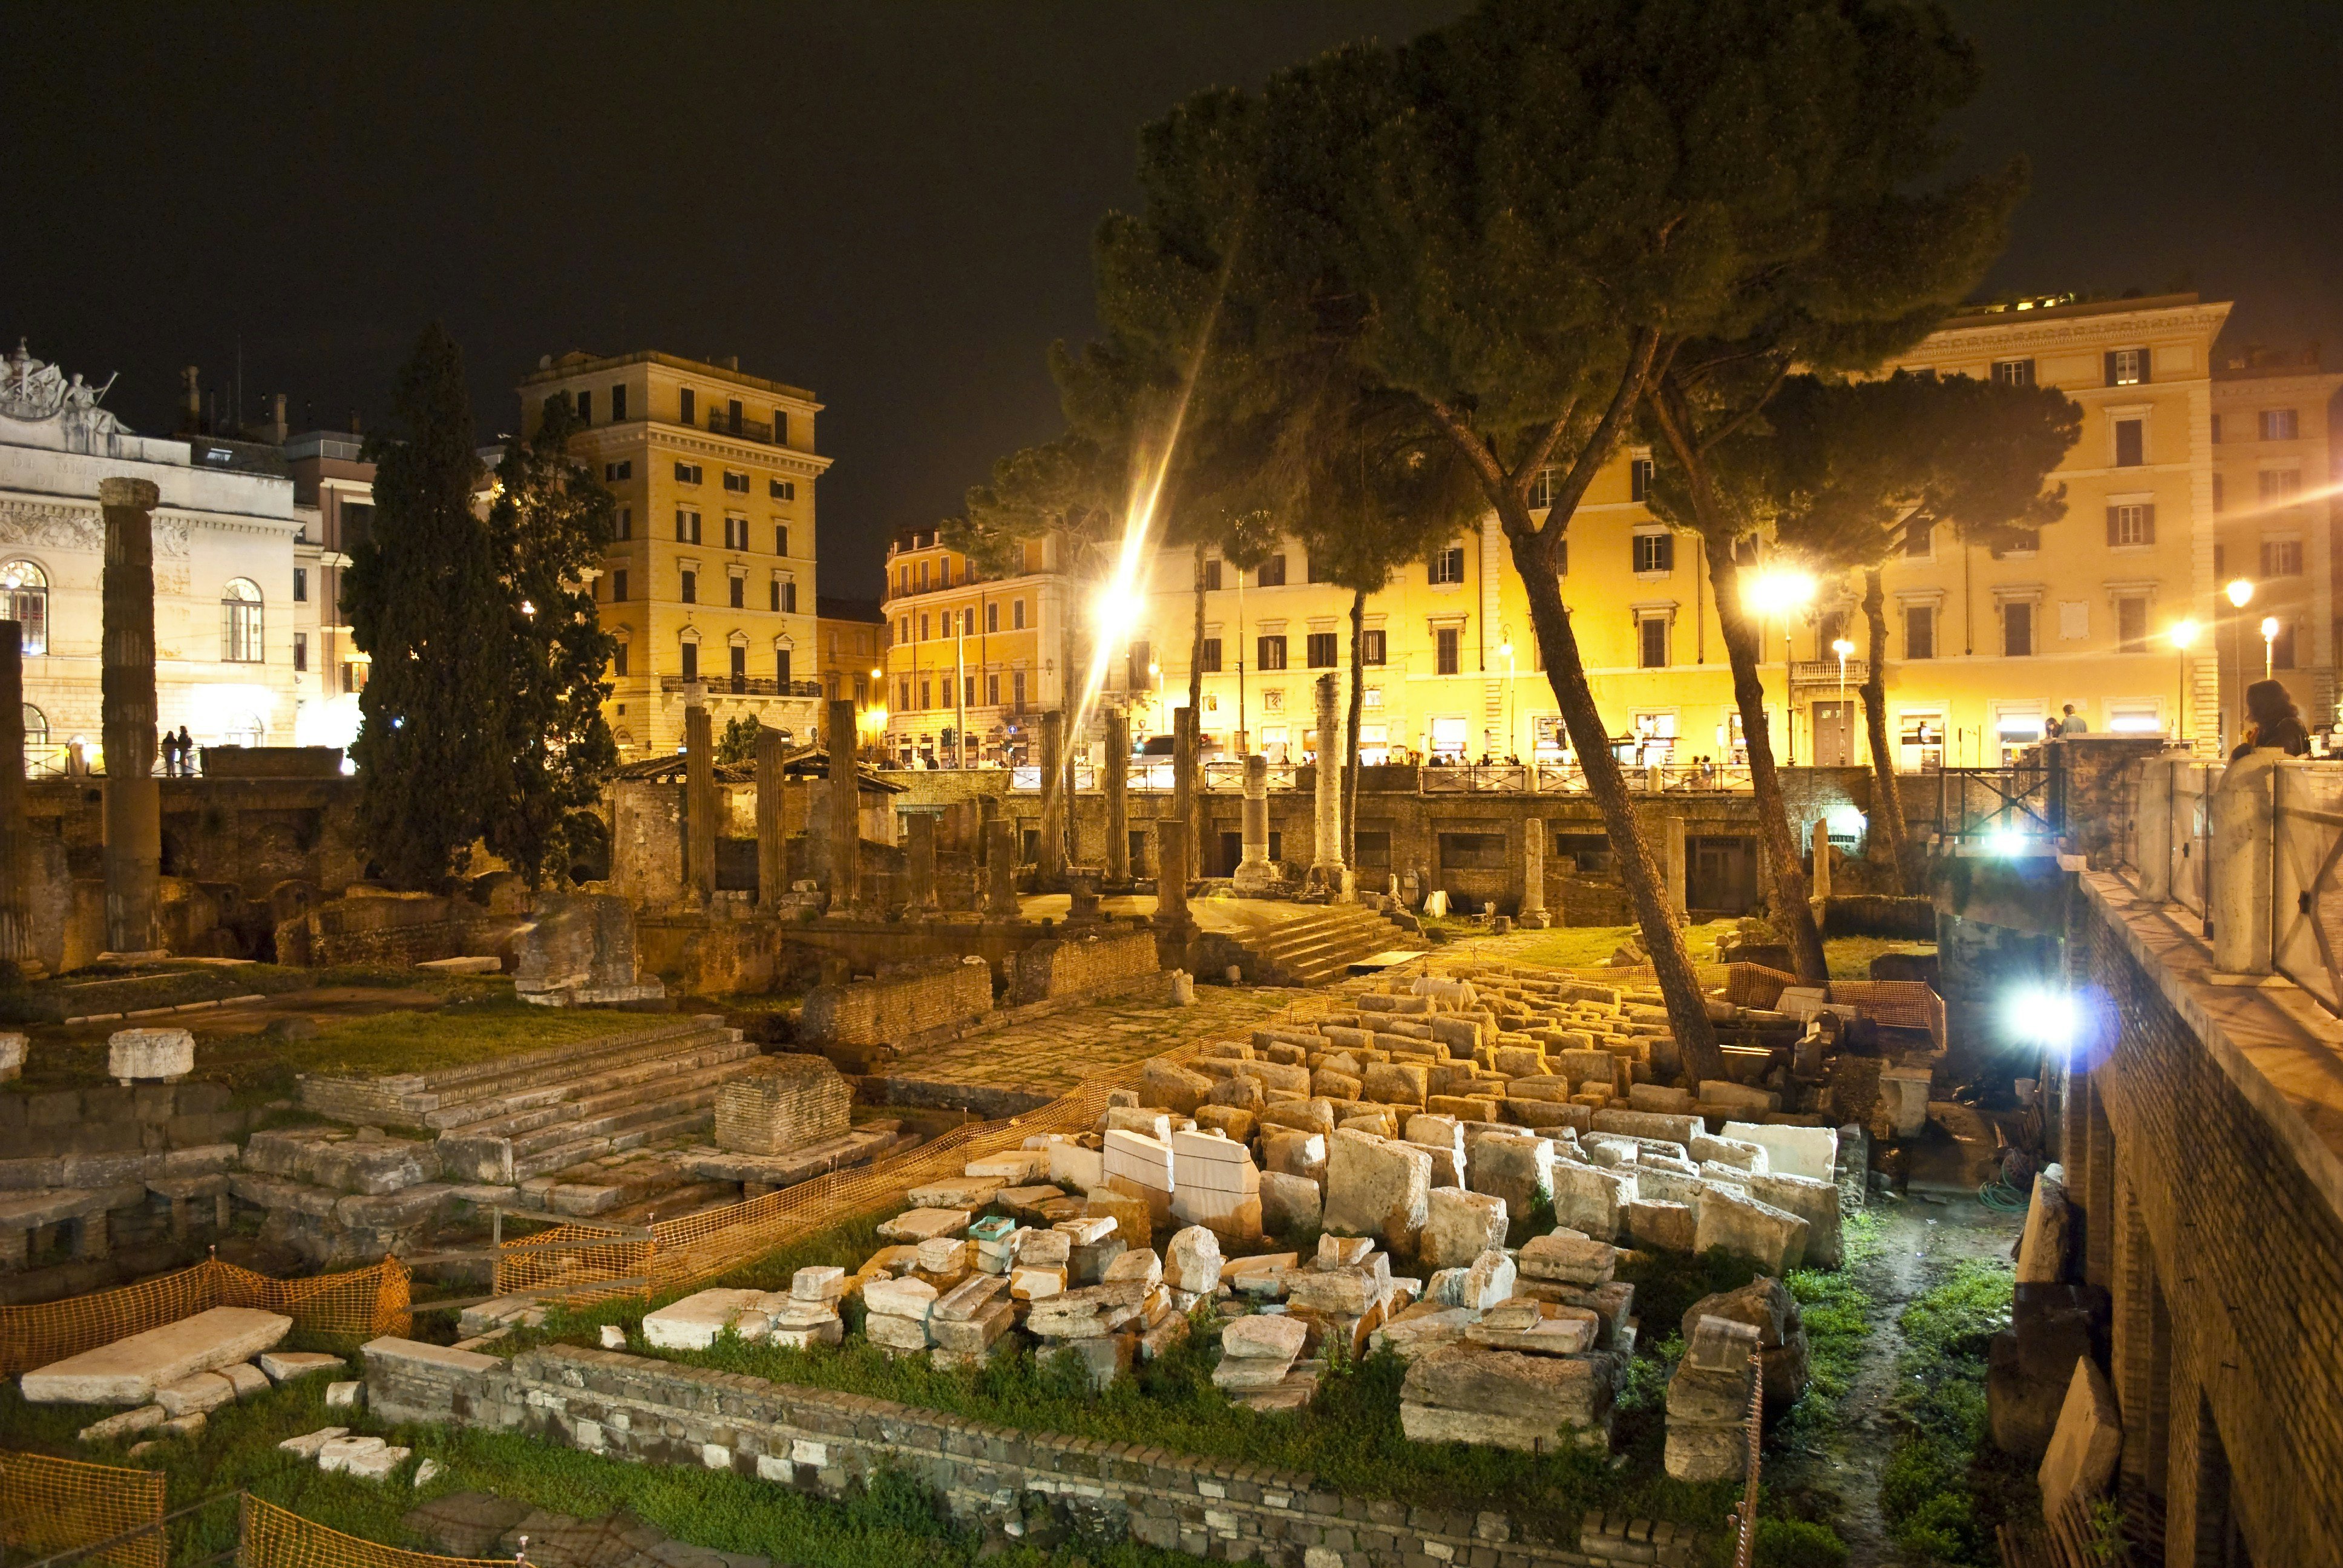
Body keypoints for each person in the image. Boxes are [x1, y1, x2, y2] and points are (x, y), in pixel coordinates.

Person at [2232, 679, 2311, 760]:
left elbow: (2271, 759)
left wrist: (2250, 750)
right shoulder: (2267, 730)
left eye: (2251, 704)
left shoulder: (2288, 726)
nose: (2248, 708)